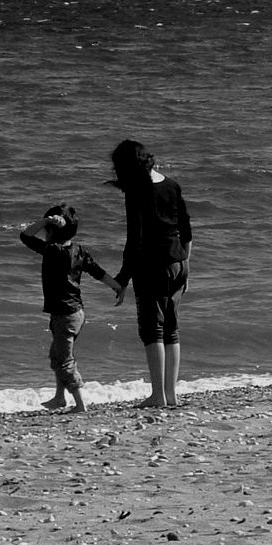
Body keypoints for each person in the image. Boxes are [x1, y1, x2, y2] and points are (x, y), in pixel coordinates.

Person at [109, 140, 193, 408]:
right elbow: (186, 231)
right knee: (171, 329)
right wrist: (186, 266)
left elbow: (135, 240)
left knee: (152, 329)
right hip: (179, 262)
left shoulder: (136, 191)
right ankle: (171, 395)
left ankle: (158, 396)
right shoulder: (172, 185)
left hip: (152, 266)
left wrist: (123, 279)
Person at [20, 203, 121, 413]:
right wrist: (117, 287)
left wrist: (45, 221)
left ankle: (80, 404)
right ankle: (59, 398)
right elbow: (98, 272)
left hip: (65, 315)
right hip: (75, 313)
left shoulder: (52, 250)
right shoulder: (79, 251)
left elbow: (26, 236)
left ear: (50, 231)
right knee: (57, 355)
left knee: (65, 361)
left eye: (46, 229)